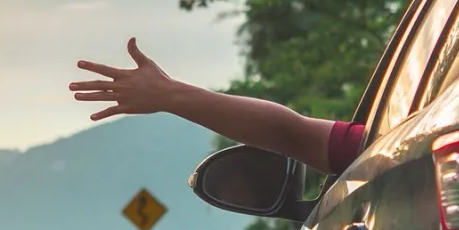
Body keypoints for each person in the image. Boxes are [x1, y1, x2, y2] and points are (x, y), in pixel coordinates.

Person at [70, 38, 366, 176]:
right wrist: (168, 94)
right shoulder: (403, 147)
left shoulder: (397, 150)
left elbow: (295, 136)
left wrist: (168, 95)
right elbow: (293, 135)